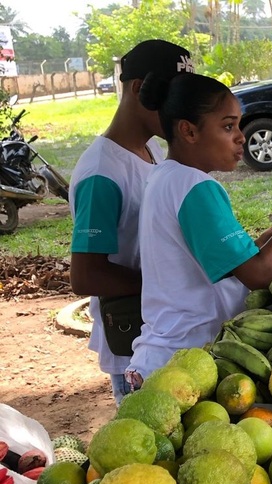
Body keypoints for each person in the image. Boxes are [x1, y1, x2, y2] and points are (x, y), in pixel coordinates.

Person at [126, 73, 272, 382]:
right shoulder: (193, 185)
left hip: (170, 358)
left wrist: (267, 239)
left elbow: (217, 261)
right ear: (189, 131)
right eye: (228, 126)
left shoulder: (166, 176)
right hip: (183, 365)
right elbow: (259, 275)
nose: (241, 137)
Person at [69, 39, 194, 405]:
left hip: (163, 329)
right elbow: (86, 275)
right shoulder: (101, 174)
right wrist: (165, 285)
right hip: (134, 350)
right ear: (140, 89)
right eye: (172, 96)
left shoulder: (152, 148)